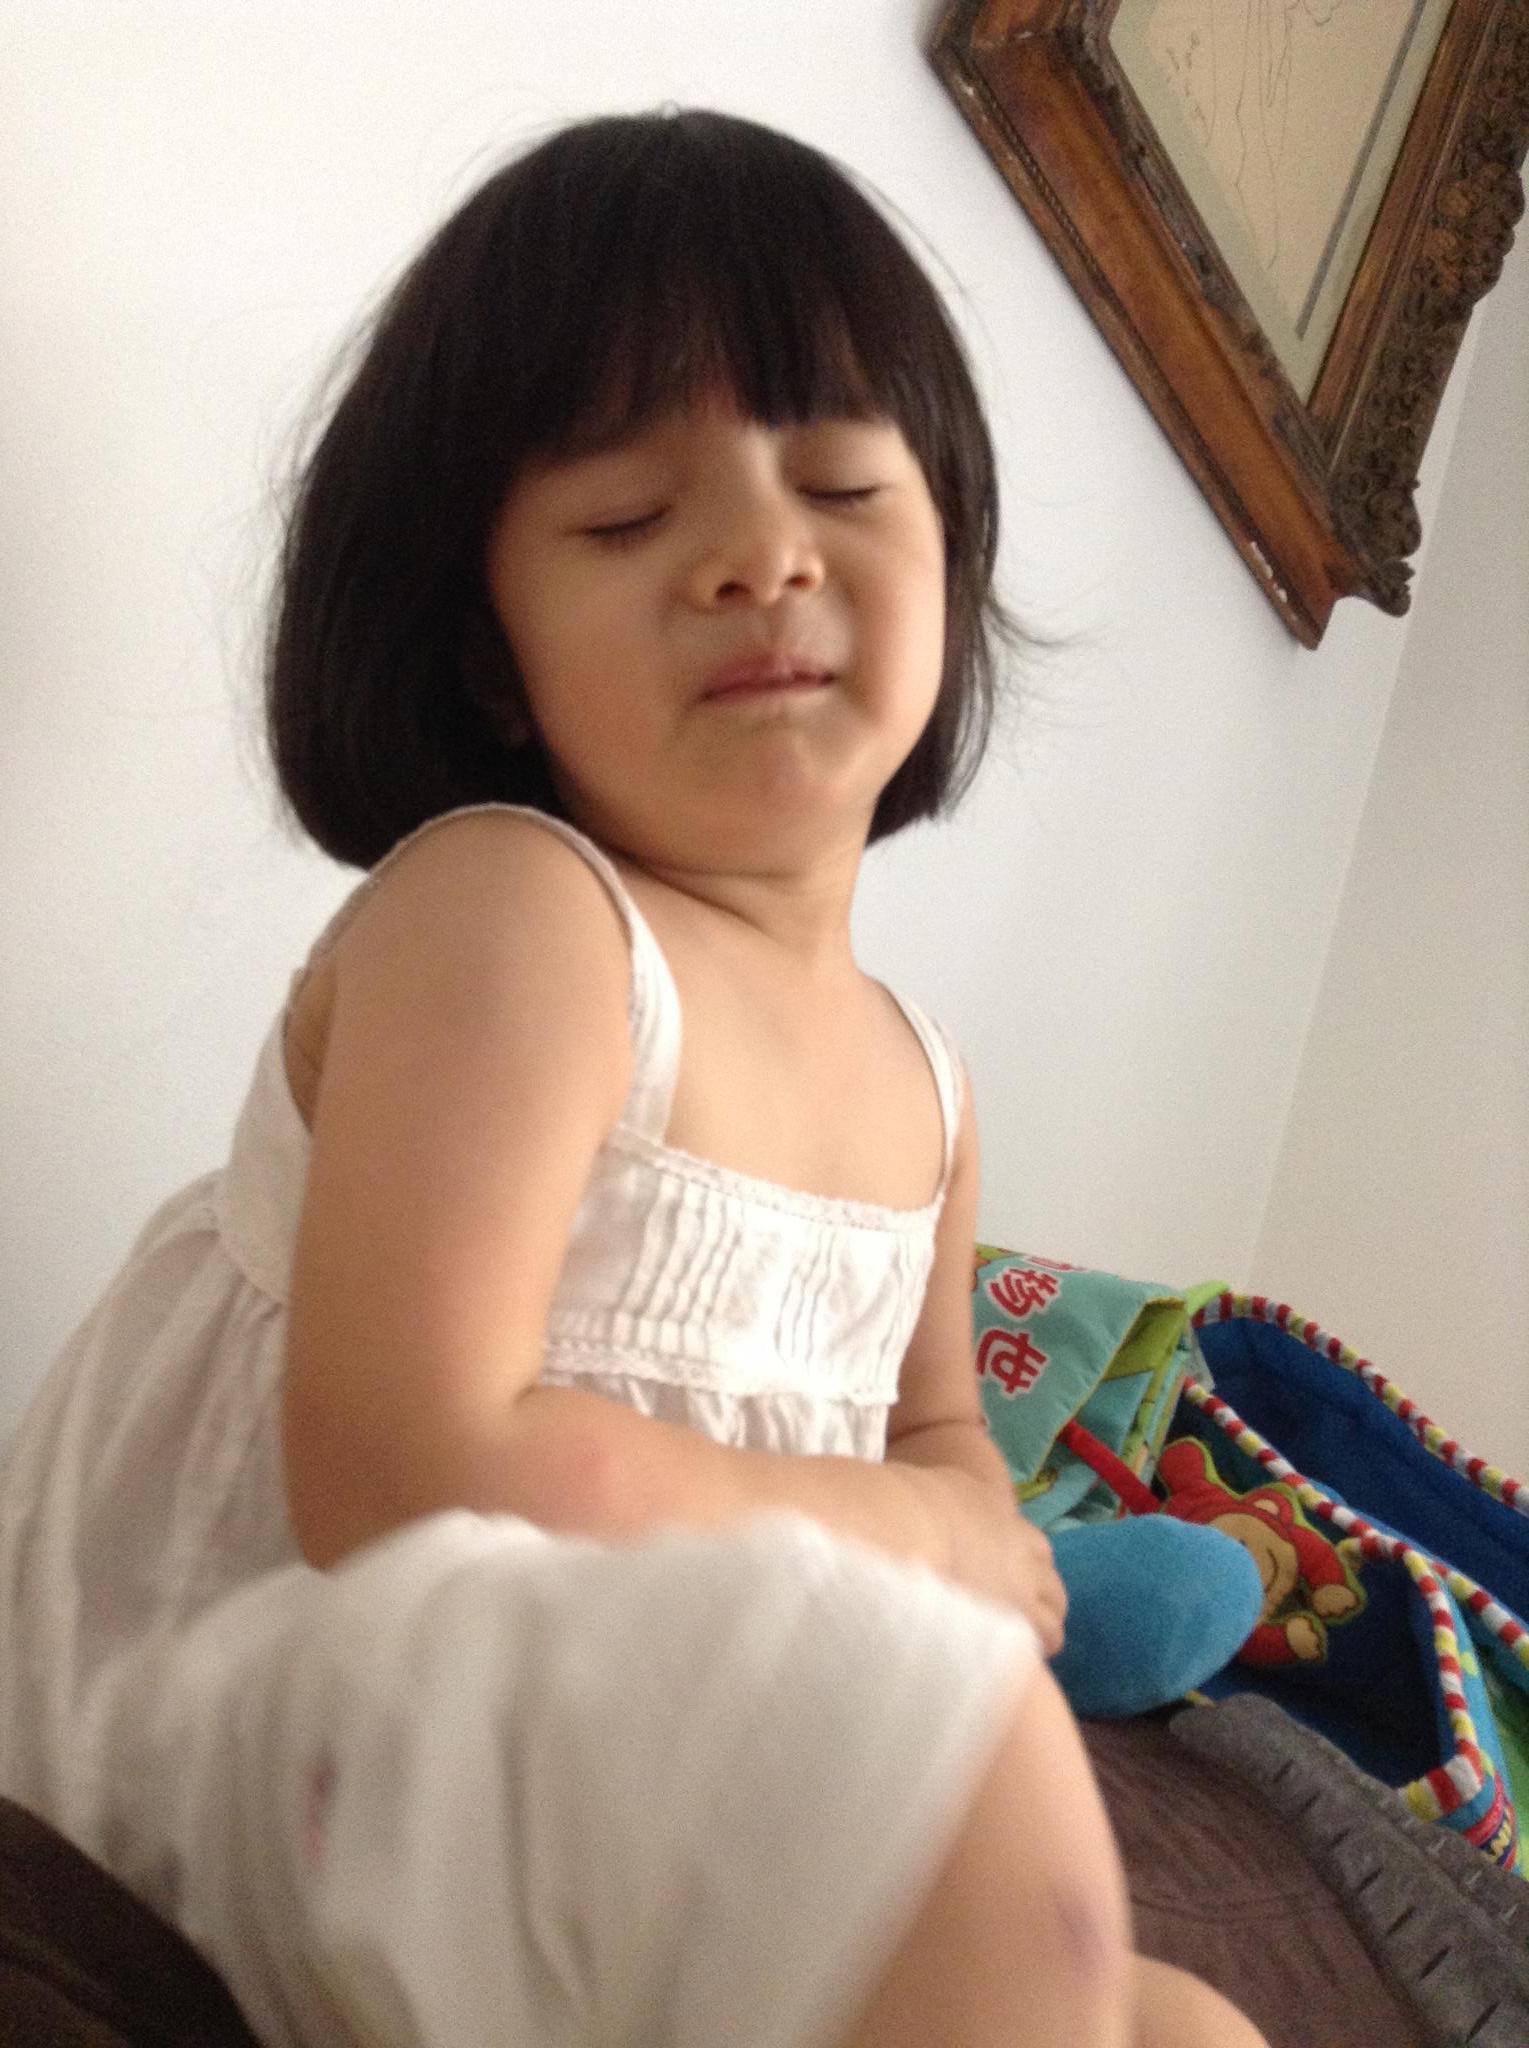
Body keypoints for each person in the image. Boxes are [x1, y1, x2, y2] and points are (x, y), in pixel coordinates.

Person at [0, 108, 1268, 2048]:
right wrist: (910, 1557)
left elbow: (938, 1439)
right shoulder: (518, 917)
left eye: (840, 483)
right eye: (623, 521)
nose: (761, 554)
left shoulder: (926, 1088)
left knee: (1179, 2023)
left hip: (603, 1764)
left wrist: (963, 1536)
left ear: (948, 558)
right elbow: (404, 1473)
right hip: (278, 1727)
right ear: (487, 653)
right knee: (956, 1774)